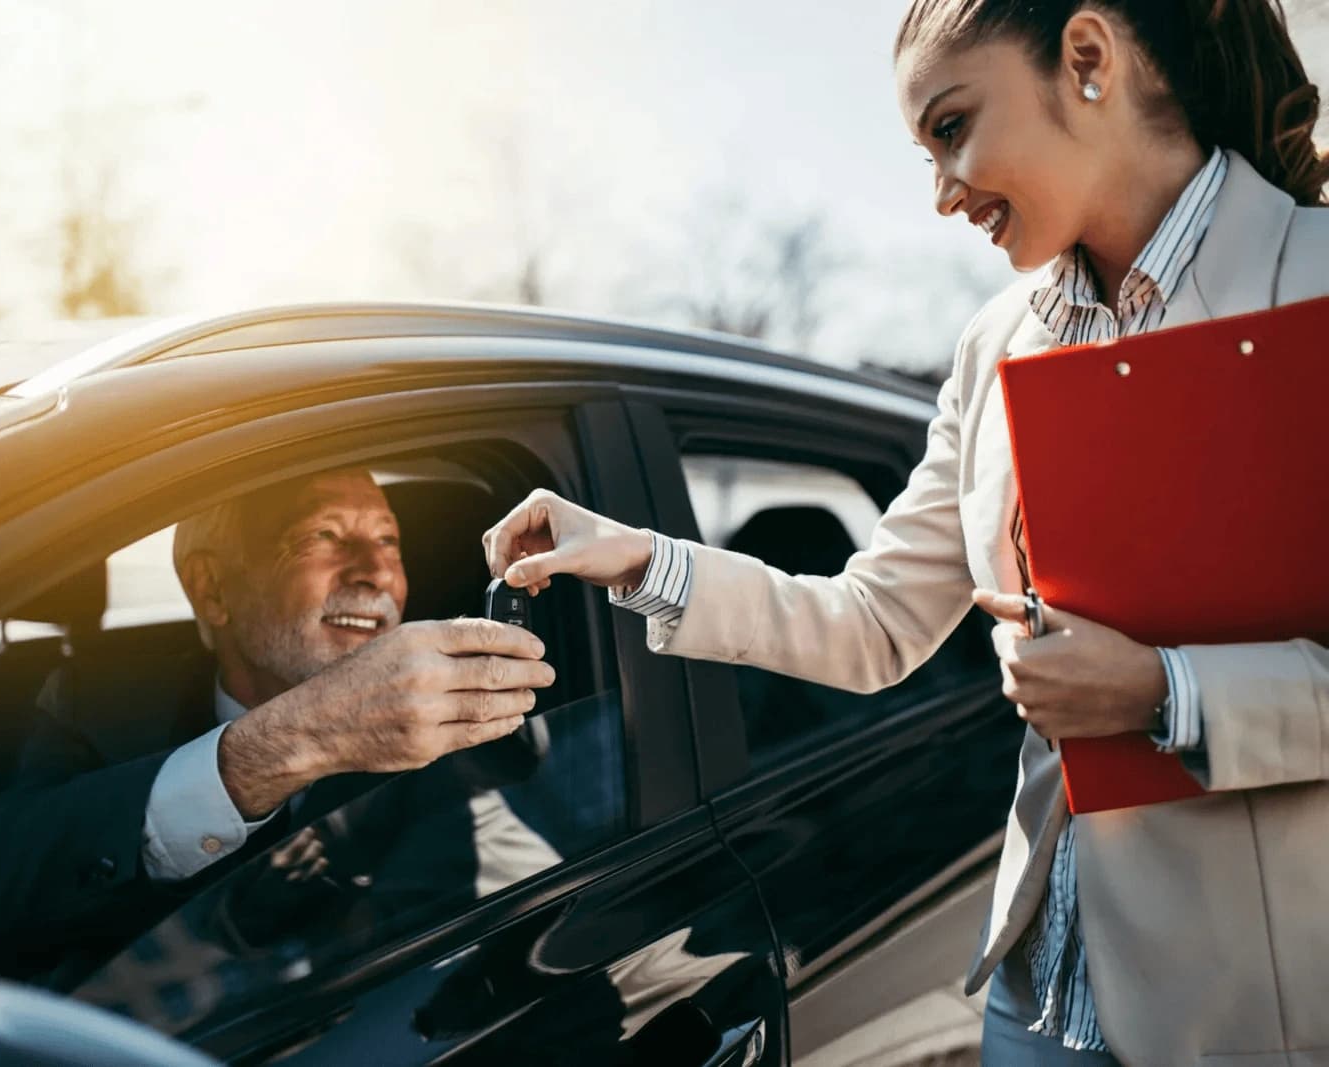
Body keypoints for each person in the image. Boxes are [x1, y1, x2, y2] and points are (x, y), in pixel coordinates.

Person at [482, 2, 1329, 1062]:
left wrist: (1164, 692)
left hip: (1256, 1012)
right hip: (1038, 981)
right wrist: (642, 555)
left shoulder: (1316, 283)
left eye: (951, 127)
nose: (939, 194)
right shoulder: (991, 350)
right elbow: (873, 621)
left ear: (1085, 57)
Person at [0, 468, 554, 982]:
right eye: (325, 535)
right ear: (212, 589)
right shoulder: (103, 707)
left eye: (389, 541)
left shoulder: (454, 723)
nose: (376, 574)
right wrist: (286, 746)